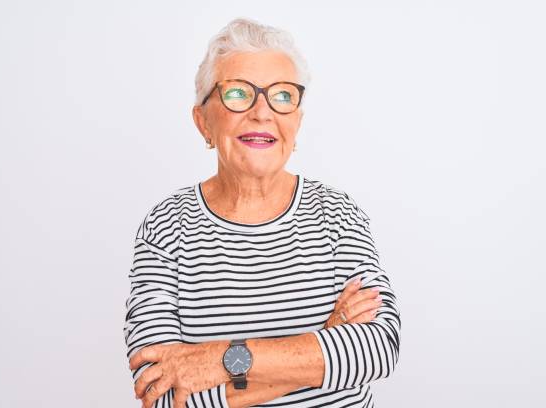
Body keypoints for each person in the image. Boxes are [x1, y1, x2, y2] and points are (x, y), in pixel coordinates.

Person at [123, 17, 401, 408]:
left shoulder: (339, 215)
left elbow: (378, 349)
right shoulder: (166, 227)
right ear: (203, 121)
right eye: (238, 93)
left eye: (283, 96)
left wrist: (223, 360)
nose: (262, 112)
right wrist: (325, 341)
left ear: (297, 122)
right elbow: (163, 395)